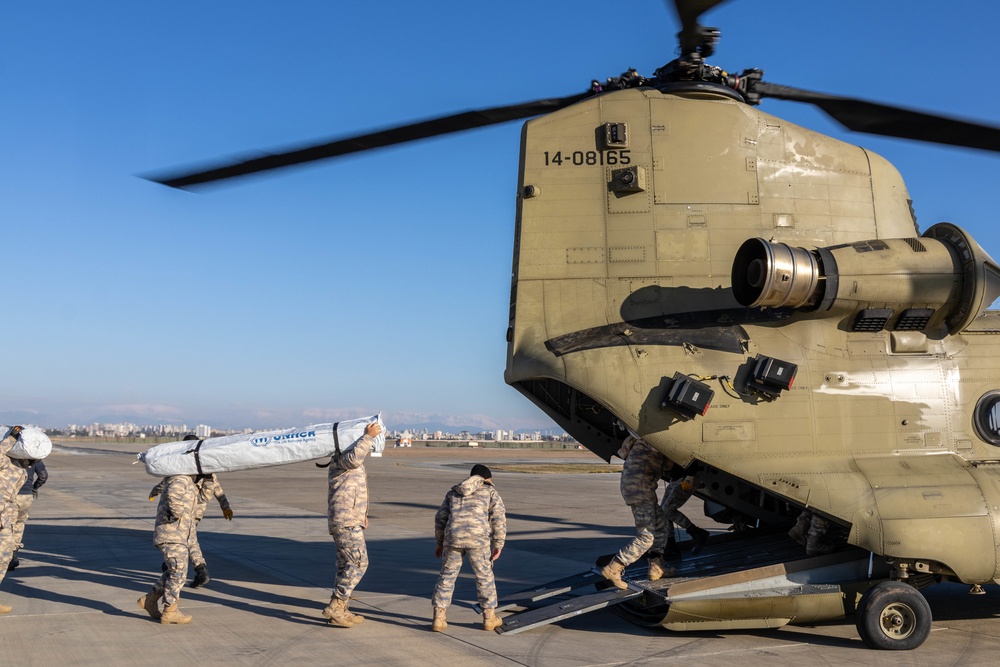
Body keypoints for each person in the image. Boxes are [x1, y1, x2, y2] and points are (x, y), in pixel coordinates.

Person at [149, 436, 233, 588]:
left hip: (186, 512)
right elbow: (218, 490)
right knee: (187, 539)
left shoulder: (181, 469)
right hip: (196, 511)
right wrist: (225, 506)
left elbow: (165, 485)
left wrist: (154, 493)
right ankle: (184, 567)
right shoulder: (206, 470)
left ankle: (198, 570)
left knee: (188, 540)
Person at [431, 464, 507, 633]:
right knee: (484, 577)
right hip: (478, 541)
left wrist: (440, 542)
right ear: (486, 479)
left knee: (447, 577)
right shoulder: (490, 492)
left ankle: (439, 618)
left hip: (453, 539)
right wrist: (498, 544)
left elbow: (440, 519)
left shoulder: (454, 492)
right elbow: (499, 520)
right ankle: (489, 618)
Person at [321, 421, 383, 627]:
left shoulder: (344, 460)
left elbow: (355, 489)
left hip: (348, 518)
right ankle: (337, 606)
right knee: (358, 563)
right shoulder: (343, 459)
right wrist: (368, 436)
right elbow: (355, 459)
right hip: (345, 520)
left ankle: (339, 608)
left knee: (345, 565)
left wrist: (362, 515)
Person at [600, 435, 675, 589]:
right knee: (646, 537)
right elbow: (669, 466)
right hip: (640, 491)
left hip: (637, 488)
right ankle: (614, 568)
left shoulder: (639, 439)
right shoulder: (660, 442)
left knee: (661, 526)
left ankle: (656, 567)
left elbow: (623, 452)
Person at [137, 472, 200, 624]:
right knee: (178, 572)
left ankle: (149, 600)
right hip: (172, 534)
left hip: (177, 534)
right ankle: (170, 610)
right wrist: (178, 514)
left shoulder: (185, 480)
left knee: (174, 571)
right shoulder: (181, 479)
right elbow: (173, 495)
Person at [0, 426, 28, 614]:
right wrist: (12, 436)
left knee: (4, 557)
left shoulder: (20, 465)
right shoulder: (2, 459)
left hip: (5, 516)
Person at [660, 463, 709, 557]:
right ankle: (671, 547)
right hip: (676, 478)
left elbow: (692, 456)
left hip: (686, 478)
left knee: (667, 509)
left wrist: (691, 475)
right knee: (663, 512)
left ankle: (697, 533)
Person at [8, 457, 48, 571]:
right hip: (27, 497)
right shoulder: (34, 458)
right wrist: (34, 488)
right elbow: (43, 476)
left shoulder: (10, 456)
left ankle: (6, 556)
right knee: (19, 524)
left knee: (7, 525)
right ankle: (13, 555)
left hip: (11, 496)